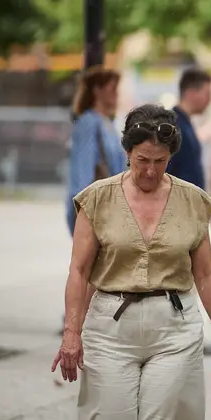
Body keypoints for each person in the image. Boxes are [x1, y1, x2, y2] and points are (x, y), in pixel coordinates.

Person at [51, 104, 211, 420]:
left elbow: (205, 273)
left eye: (160, 162)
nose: (150, 171)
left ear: (171, 157)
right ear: (127, 152)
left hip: (174, 327)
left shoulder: (192, 200)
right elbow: (78, 272)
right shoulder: (96, 199)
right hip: (110, 327)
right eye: (142, 160)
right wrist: (71, 334)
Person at [59, 67, 127, 335]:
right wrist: (84, 211)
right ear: (97, 90)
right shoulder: (89, 122)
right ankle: (75, 323)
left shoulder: (107, 122)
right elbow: (82, 172)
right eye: (112, 89)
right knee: (87, 268)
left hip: (108, 207)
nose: (116, 95)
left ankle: (82, 321)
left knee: (98, 269)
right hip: (92, 207)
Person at [167, 68, 211, 189]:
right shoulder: (174, 124)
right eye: (207, 94)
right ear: (191, 93)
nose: (210, 100)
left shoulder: (185, 123)